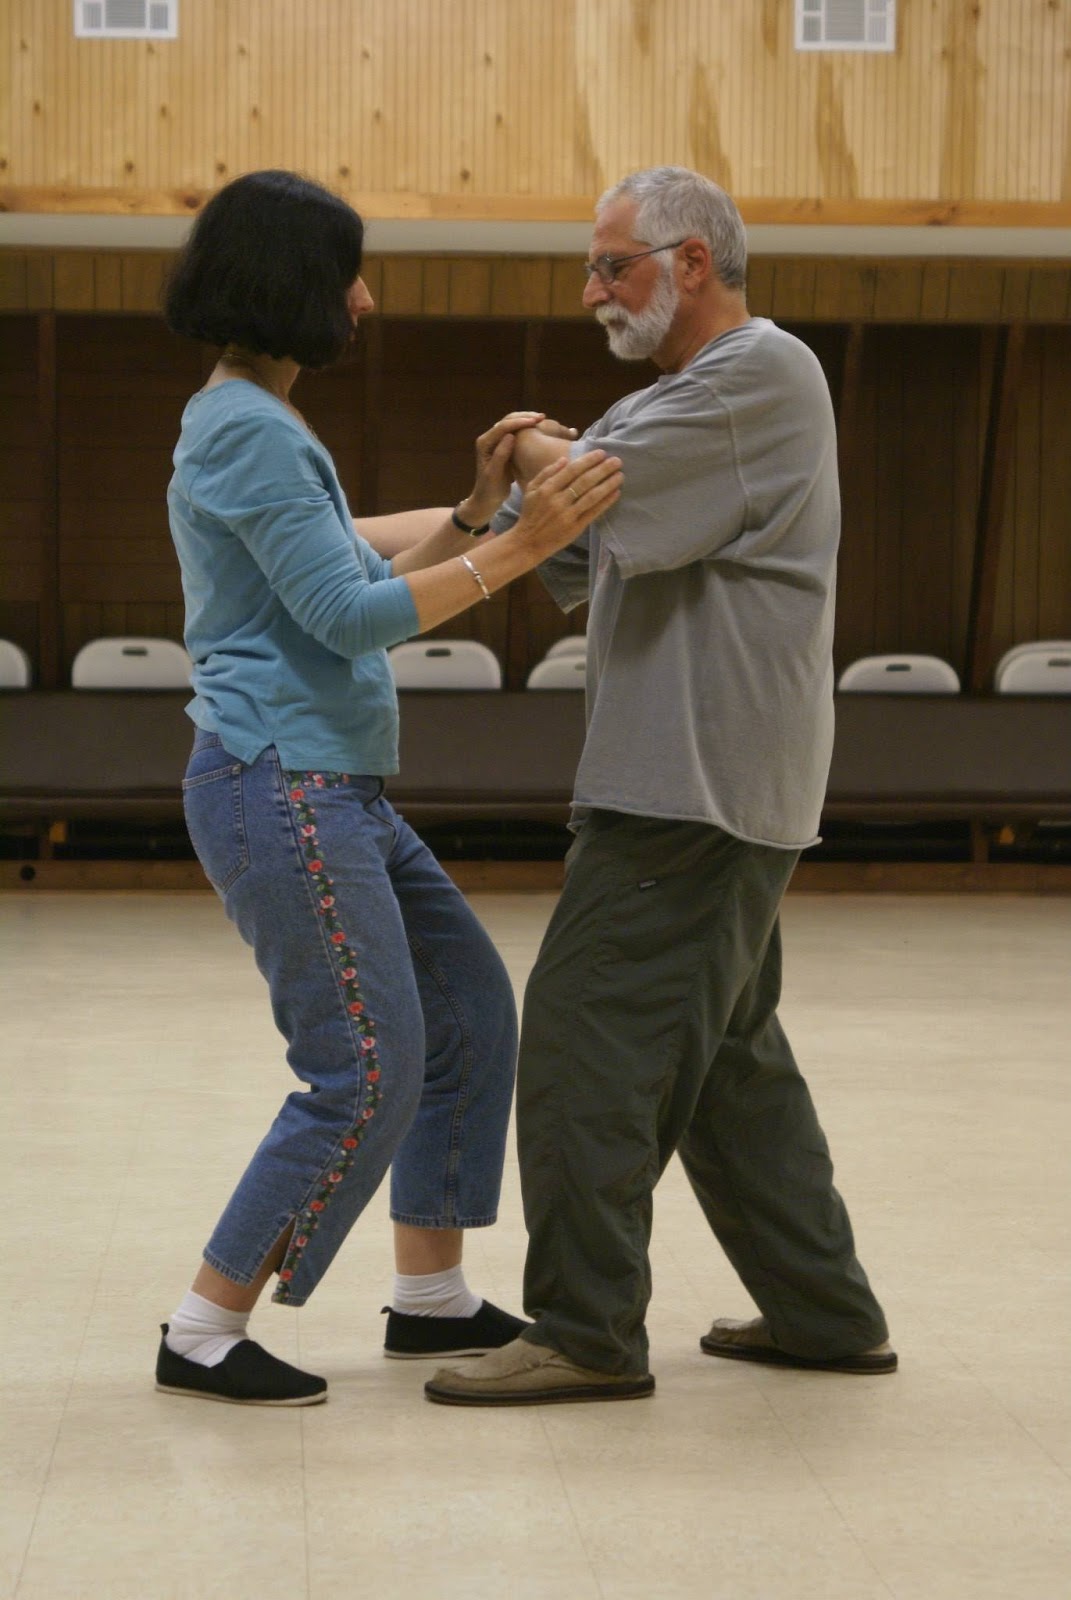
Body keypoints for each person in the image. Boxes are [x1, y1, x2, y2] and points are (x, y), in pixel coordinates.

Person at [425, 166, 895, 1407]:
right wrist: (549, 472)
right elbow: (567, 543)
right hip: (708, 785)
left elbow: (590, 492)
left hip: (688, 792)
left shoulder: (759, 373)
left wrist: (538, 445)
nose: (593, 293)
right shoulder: (686, 400)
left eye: (613, 266)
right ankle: (824, 1311)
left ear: (693, 262)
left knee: (583, 1037)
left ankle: (585, 1330)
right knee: (732, 1069)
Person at [156, 169, 622, 1407]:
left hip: (332, 784)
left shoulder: (254, 416)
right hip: (284, 783)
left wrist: (478, 509)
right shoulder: (248, 427)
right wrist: (522, 544)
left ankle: (430, 1297)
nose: (363, 297)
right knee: (362, 1068)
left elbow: (346, 569)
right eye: (346, 273)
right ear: (293, 285)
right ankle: (204, 1325)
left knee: (467, 1006)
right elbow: (352, 618)